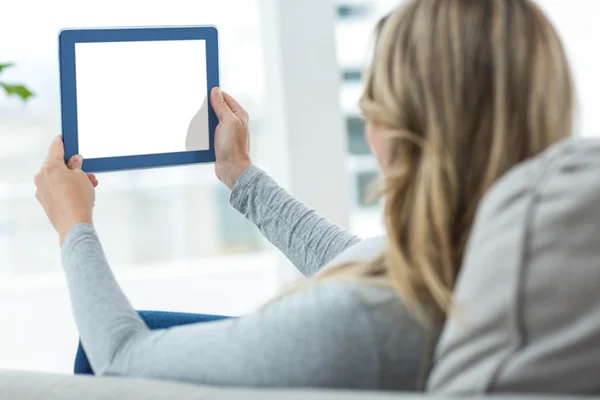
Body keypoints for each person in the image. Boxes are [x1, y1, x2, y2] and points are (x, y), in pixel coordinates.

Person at [33, 0, 574, 391]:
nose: (365, 111)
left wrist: (73, 225)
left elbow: (123, 362)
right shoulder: (504, 254)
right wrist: (240, 174)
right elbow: (361, 259)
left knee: (101, 343)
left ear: (402, 125)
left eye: (374, 93)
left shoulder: (362, 323)